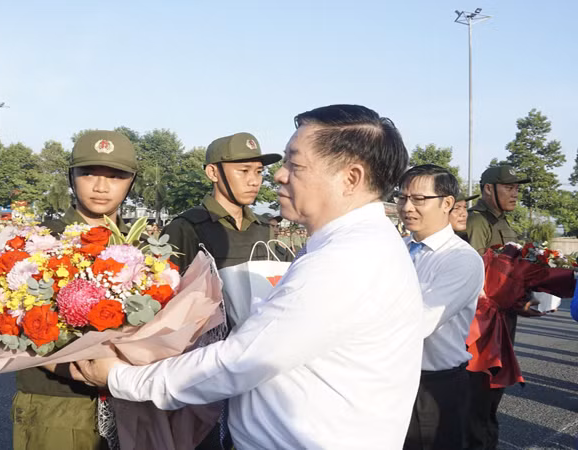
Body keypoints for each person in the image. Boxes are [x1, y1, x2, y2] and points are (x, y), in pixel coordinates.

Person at [74, 105, 424, 449]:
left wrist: (121, 377)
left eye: (295, 164)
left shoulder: (347, 260)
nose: (279, 176)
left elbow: (241, 361)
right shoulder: (353, 246)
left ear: (351, 178)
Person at [14, 130, 138, 450]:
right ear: (72, 178)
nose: (101, 186)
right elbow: (3, 321)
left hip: (132, 403)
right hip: (55, 402)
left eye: (115, 176)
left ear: (131, 183)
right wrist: (67, 367)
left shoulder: (141, 249)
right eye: (89, 174)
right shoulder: (37, 243)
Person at [396, 165, 484, 450]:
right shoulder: (397, 249)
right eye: (402, 197)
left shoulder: (461, 260)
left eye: (419, 199)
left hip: (433, 386)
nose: (407, 206)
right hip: (393, 378)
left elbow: (418, 323)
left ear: (447, 203)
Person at [464, 165, 536, 450]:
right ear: (487, 189)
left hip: (503, 324)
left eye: (517, 187)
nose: (515, 192)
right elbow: (473, 278)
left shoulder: (503, 222)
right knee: (477, 405)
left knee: (490, 403)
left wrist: (523, 299)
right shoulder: (477, 222)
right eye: (508, 187)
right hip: (482, 330)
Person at [161, 132, 284, 275]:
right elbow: (166, 290)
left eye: (259, 172)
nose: (254, 181)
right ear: (213, 173)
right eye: (244, 171)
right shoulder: (185, 229)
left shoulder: (264, 228)